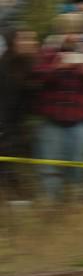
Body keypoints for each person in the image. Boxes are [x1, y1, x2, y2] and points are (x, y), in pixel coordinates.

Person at [33, 13, 83, 200]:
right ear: (58, 33)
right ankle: (50, 205)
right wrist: (56, 68)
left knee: (80, 166)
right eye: (67, 31)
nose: (72, 36)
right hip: (52, 119)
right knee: (49, 168)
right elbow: (35, 78)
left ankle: (76, 207)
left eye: (77, 31)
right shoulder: (48, 53)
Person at [0, 27, 39, 199]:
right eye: (23, 39)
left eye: (31, 39)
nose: (30, 43)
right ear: (12, 43)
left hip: (21, 128)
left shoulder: (34, 65)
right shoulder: (4, 68)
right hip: (7, 129)